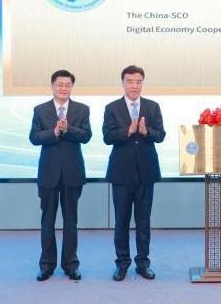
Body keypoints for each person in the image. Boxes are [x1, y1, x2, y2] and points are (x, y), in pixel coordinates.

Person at [103, 65, 166, 281]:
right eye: (130, 81)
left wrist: (147, 132)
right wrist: (127, 131)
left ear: (142, 83)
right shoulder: (112, 107)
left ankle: (143, 263)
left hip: (146, 172)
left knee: (143, 221)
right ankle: (122, 264)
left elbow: (161, 135)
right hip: (121, 173)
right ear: (123, 83)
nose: (134, 86)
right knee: (121, 221)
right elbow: (107, 137)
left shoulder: (152, 106)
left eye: (138, 81)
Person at [29, 69, 92, 281]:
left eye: (67, 85)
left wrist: (68, 129)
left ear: (72, 87)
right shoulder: (40, 110)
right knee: (47, 220)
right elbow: (34, 138)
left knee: (71, 221)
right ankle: (46, 265)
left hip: (73, 173)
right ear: (52, 86)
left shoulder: (82, 109)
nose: (63, 88)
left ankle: (70, 264)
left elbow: (86, 136)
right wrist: (54, 132)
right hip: (48, 173)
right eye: (59, 85)